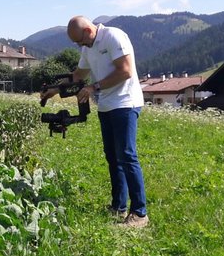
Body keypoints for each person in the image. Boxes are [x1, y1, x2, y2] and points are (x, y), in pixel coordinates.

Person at [41, 16, 148, 228]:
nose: (79, 46)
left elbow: (125, 71)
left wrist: (93, 87)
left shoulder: (113, 37)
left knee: (126, 155)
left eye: (80, 41)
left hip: (126, 103)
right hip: (107, 105)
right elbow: (78, 75)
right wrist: (54, 90)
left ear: (89, 31)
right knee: (113, 157)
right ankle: (119, 207)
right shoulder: (87, 47)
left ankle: (140, 213)